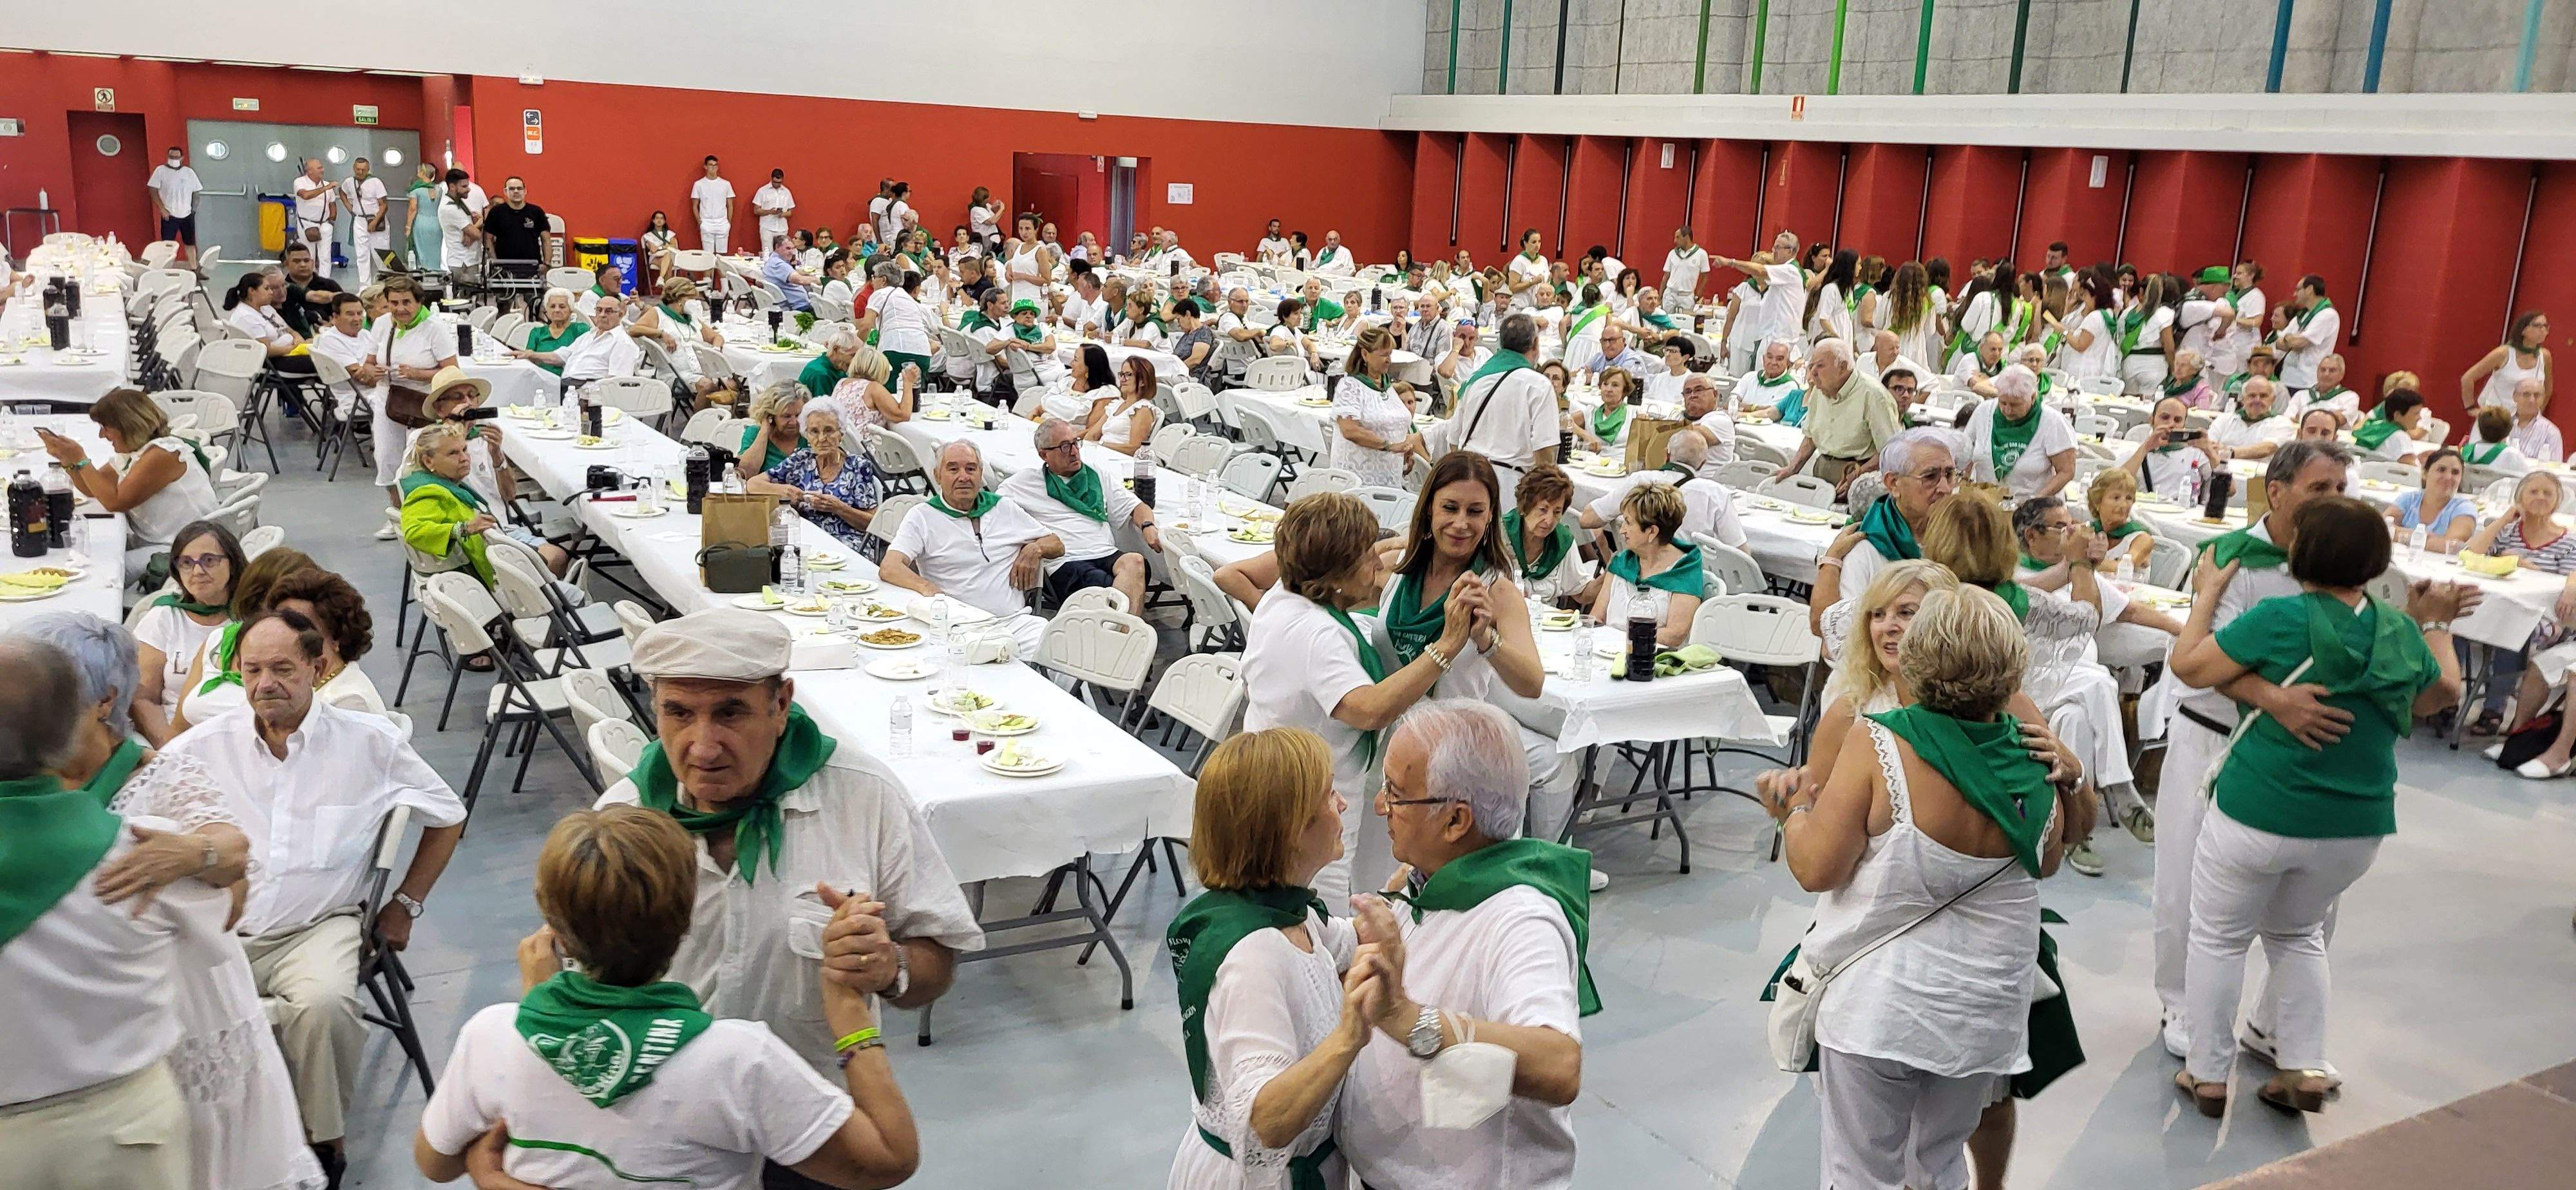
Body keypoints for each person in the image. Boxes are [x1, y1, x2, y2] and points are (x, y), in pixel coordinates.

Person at [417, 806, 920, 1190]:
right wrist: (846, 1007)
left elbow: (434, 1162)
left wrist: (485, 1164)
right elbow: (890, 1160)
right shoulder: (739, 1060)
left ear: (556, 928)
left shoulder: (492, 1036)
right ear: (685, 919)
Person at [1761, 584, 2078, 1190]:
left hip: (1882, 1006)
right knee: (1937, 1163)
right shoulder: (2037, 752)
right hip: (1985, 1006)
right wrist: (2075, 777)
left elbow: (1816, 869)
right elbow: (2049, 860)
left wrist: (1794, 811)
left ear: (1918, 657)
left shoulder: (1880, 740)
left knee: (1860, 1170)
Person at [2168, 496, 2468, 1117]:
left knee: (2219, 937)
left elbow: (2189, 666)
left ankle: (2208, 1073)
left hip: (2261, 807)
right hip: (2355, 824)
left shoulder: (2281, 618)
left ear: (2301, 553)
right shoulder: (2398, 631)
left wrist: (2206, 595)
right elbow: (2440, 694)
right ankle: (2300, 1063)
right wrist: (2435, 624)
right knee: (2300, 934)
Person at [10, 613, 321, 1190]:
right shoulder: (32, 788)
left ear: (105, 701)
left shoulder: (160, 777)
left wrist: (196, 853)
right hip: (81, 1024)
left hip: (185, 1014)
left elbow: (235, 867)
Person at [162, 609, 467, 1176]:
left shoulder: (369, 743)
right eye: (252, 670)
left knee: (324, 1003)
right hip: (220, 928)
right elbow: (143, 813)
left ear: (318, 668)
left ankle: (326, 1148)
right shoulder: (203, 747)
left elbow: (448, 816)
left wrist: (405, 904)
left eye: (282, 669)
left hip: (317, 926)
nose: (265, 684)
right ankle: (202, 1150)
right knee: (153, 1002)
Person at [2148, 439, 2361, 1062]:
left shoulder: (2342, 561)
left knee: (2310, 904)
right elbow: (2200, 661)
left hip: (2295, 752)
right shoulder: (2231, 559)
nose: (2333, 500)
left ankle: (2273, 1023)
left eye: (2340, 489)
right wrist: (2273, 698)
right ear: (2276, 492)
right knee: (2184, 884)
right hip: (2212, 734)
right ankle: (2181, 1004)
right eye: (2318, 489)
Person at [0, 636, 238, 1190]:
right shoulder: (147, 855)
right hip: (122, 1130)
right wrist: (208, 854)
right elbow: (225, 922)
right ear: (68, 735)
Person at [1339, 700, 1593, 1190]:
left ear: (1456, 821)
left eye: (1396, 794)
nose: (1380, 806)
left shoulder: (1520, 919)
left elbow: (1560, 1066)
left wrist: (1408, 1019)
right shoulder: (1427, 881)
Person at [1164, 728, 1370, 1190]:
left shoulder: (1291, 912)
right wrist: (1350, 1037)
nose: (1342, 804)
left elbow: (1347, 941)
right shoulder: (1253, 957)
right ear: (1290, 831)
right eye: (1328, 794)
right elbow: (1266, 1120)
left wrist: (1404, 896)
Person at [882, 441, 1058, 659]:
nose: (963, 477)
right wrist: (926, 587)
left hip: (1014, 622)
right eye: (953, 469)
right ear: (937, 476)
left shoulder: (1002, 507)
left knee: (1061, 649)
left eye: (971, 469)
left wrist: (1035, 548)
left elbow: (1056, 543)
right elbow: (890, 567)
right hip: (958, 627)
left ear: (981, 474)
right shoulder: (923, 516)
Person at [35, 388, 219, 584]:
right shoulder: (136, 452)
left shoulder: (164, 454)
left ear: (128, 426)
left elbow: (115, 502)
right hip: (155, 539)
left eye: (106, 427)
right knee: (88, 554)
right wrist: (66, 459)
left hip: (184, 548)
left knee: (101, 572)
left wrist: (80, 458)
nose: (102, 435)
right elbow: (93, 488)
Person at [2458, 470, 2576, 748]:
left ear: (2558, 501)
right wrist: (2503, 519)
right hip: (2498, 605)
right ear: (2520, 498)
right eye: (2533, 492)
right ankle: (2448, 698)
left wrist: (2525, 565)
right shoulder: (2508, 533)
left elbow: (2568, 583)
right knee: (2459, 614)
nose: (2540, 497)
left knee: (2515, 627)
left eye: (2548, 493)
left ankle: (2494, 708)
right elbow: (2470, 554)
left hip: (2546, 617)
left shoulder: (2568, 541)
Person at [999, 418, 1160, 610]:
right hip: (1067, 560)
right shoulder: (1026, 483)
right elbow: (990, 505)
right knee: (1119, 587)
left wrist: (1148, 526)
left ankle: (1120, 628)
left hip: (1105, 552)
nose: (1074, 452)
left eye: (1076, 443)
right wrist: (1028, 545)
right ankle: (1125, 628)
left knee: (1137, 562)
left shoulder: (1095, 474)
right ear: (1044, 455)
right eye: (1065, 447)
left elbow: (1137, 506)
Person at [1811, 427, 1962, 632]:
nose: (1945, 488)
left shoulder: (1961, 538)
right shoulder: (1866, 547)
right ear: (1893, 483)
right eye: (1930, 477)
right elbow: (1845, 634)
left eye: (1950, 475)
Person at [1411, 313, 1558, 505]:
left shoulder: (1476, 381)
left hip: (1469, 478)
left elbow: (1454, 440)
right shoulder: (1539, 385)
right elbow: (1544, 450)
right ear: (1536, 344)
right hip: (1511, 487)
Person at [129, 520, 243, 746]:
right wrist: (170, 746)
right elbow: (144, 698)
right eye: (186, 563)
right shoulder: (165, 618)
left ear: (232, 564)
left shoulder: (250, 620)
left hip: (234, 735)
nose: (198, 571)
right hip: (171, 733)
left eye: (209, 561)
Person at [1584, 482, 1703, 649]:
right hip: (1607, 651)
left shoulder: (1684, 571)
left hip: (1654, 657)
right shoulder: (1622, 562)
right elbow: (1597, 618)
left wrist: (1626, 640)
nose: (1622, 530)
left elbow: (1675, 635)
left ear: (1652, 532)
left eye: (1628, 522)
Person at [1776, 338, 1901, 493]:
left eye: (1820, 366)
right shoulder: (1820, 390)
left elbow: (1889, 451)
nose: (1813, 372)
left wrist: (1857, 477)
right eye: (1811, 366)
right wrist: (1792, 468)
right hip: (1822, 469)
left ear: (1842, 367)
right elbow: (1811, 436)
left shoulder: (1874, 395)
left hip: (1858, 475)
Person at [1961, 364, 2076, 498]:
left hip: (2033, 504)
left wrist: (2035, 501)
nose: (2008, 410)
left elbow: (2067, 471)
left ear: (2033, 397)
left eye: (2015, 405)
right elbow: (1964, 455)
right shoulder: (1983, 411)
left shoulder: (2053, 421)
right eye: (2003, 403)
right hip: (1987, 502)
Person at [1502, 464, 1591, 607]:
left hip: (1546, 619)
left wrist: (1610, 574)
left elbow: (1581, 592)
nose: (1549, 521)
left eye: (1557, 512)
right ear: (1525, 506)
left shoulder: (1562, 541)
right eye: (1543, 510)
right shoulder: (1500, 533)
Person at [2119, 394, 2219, 504]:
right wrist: (2146, 447)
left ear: (2184, 424)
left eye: (2178, 420)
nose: (2171, 424)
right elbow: (2116, 484)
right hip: (2144, 510)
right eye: (2165, 417)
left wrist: (2211, 454)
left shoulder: (2196, 453)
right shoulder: (2136, 452)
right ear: (2152, 420)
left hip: (2182, 510)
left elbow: (2229, 490)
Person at [222, 266, 314, 374]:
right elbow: (267, 351)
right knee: (322, 362)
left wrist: (298, 338)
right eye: (267, 289)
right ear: (252, 291)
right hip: (272, 362)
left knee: (324, 351)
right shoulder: (247, 317)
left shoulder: (265, 307)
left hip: (288, 352)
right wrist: (295, 347)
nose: (271, 292)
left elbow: (288, 329)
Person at [2387, 448, 2481, 552]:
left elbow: (2450, 546)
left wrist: (2399, 534)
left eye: (2455, 472)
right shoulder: (2409, 499)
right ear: (2425, 473)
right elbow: (2381, 529)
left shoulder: (2464, 508)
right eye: (2442, 470)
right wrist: (2426, 538)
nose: (2448, 477)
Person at [2465, 310, 2554, 412]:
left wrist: (2537, 413)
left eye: (2545, 326)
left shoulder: (2545, 356)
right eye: (2538, 326)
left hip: (2523, 418)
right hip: (2496, 416)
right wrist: (2471, 408)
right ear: (2523, 330)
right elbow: (2468, 378)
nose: (2543, 330)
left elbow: (2548, 388)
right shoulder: (2503, 353)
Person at [558, 292, 646, 389]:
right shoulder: (590, 335)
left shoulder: (622, 343)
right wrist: (542, 356)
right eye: (599, 310)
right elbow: (563, 354)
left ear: (620, 315)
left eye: (609, 311)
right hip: (564, 383)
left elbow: (618, 383)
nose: (602, 315)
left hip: (586, 390)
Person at [2083, 466, 2158, 576]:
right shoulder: (2087, 531)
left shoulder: (2142, 539)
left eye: (2129, 498)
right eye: (2116, 498)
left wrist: (2082, 562)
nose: (2124, 505)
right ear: (2097, 502)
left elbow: (2124, 567)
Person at [1082, 357, 1159, 457]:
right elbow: (1092, 435)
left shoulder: (1143, 409)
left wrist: (1102, 445)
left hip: (1118, 458)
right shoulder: (1116, 405)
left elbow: (1135, 448)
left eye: (1128, 375)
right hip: (1100, 453)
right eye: (1122, 374)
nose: (1122, 379)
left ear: (1142, 381)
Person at [2208, 376, 2295, 460]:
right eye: (2252, 396)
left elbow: (2268, 449)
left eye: (2263, 396)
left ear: (2273, 400)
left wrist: (2229, 452)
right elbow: (2209, 445)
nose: (2257, 400)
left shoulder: (2282, 423)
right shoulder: (2224, 420)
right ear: (2243, 399)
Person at [146, 145, 205, 265]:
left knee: (190, 243)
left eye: (176, 157)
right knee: (167, 246)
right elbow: (153, 189)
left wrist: (193, 210)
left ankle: (194, 268)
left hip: (187, 214)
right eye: (171, 157)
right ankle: (166, 268)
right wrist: (162, 209)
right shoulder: (161, 171)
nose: (174, 159)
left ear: (182, 158)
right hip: (169, 215)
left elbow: (196, 192)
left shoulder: (189, 172)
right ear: (168, 157)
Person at [276, 241, 345, 339]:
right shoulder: (281, 290)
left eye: (306, 260)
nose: (303, 264)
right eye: (297, 261)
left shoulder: (330, 286)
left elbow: (346, 313)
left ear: (313, 263)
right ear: (287, 264)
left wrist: (333, 325)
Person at [511, 288, 588, 374]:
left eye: (562, 307)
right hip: (540, 378)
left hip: (571, 379)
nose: (557, 310)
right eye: (552, 306)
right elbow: (529, 359)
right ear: (547, 310)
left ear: (571, 309)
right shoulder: (537, 333)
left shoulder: (581, 330)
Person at [337, 157, 389, 287]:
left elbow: (384, 205)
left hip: (376, 220)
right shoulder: (349, 182)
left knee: (380, 254)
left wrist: (375, 222)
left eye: (363, 170)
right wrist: (349, 207)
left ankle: (385, 284)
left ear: (368, 170)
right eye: (358, 169)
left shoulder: (376, 182)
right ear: (354, 168)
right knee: (361, 255)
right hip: (359, 221)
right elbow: (341, 191)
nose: (360, 172)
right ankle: (364, 286)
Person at [2354, 388, 2435, 461]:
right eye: (2416, 414)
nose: (2420, 418)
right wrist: (2421, 461)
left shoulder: (2370, 428)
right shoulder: (2401, 437)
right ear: (2397, 415)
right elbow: (2410, 469)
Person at [289, 158, 337, 279]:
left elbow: (332, 204)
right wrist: (326, 188)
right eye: (319, 168)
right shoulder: (300, 182)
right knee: (309, 256)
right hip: (306, 224)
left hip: (325, 224)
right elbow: (305, 196)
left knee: (325, 257)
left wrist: (331, 221)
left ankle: (324, 281)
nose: (323, 170)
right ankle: (310, 280)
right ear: (309, 171)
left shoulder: (327, 185)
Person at [437, 168, 486, 279]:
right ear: (452, 187)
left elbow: (472, 225)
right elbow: (477, 234)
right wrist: (479, 223)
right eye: (464, 186)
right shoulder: (451, 208)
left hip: (469, 260)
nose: (468, 189)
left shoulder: (460, 203)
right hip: (462, 263)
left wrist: (470, 230)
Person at [2460, 406, 2531, 475]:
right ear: (2509, 430)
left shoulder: (2465, 452)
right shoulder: (2512, 455)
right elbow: (2527, 477)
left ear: (2480, 428)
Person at [2510, 376, 2564, 462]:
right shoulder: (2501, 425)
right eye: (2526, 394)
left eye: (2537, 395)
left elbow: (2555, 466)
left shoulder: (2551, 432)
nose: (2532, 400)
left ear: (2543, 399)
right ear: (2515, 396)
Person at [402, 162, 444, 274]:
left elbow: (413, 208)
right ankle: (436, 270)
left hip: (421, 221)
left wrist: (408, 226)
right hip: (436, 222)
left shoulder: (416, 190)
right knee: (436, 249)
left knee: (422, 249)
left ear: (422, 173)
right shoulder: (439, 190)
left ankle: (425, 271)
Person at [691, 155, 737, 254]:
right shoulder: (699, 184)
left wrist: (728, 222)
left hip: (722, 223)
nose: (713, 168)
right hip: (706, 222)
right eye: (711, 165)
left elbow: (730, 205)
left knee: (722, 255)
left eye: (715, 165)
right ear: (706, 167)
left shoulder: (726, 184)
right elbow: (695, 205)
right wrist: (700, 222)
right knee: (708, 255)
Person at [764, 235, 818, 310]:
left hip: (785, 305)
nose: (792, 252)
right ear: (777, 247)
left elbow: (788, 273)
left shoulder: (772, 260)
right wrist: (822, 281)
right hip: (799, 308)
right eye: (788, 248)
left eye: (793, 249)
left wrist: (802, 273)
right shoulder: (780, 265)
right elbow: (801, 280)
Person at [752, 167, 796, 251]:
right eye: (775, 182)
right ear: (771, 179)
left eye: (779, 182)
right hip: (767, 227)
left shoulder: (786, 192)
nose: (777, 184)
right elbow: (756, 210)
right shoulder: (762, 191)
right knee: (767, 252)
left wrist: (782, 214)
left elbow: (791, 212)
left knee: (783, 252)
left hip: (782, 227)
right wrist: (770, 212)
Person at [641, 209, 679, 284]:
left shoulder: (670, 233)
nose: (659, 220)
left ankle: (661, 279)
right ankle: (667, 287)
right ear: (653, 221)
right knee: (669, 261)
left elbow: (674, 245)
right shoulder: (648, 235)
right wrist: (663, 247)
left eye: (662, 218)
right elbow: (653, 249)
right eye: (657, 218)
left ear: (664, 221)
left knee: (669, 259)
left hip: (671, 258)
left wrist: (659, 247)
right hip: (655, 258)